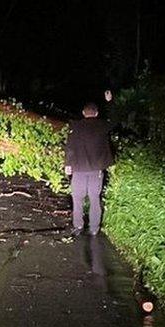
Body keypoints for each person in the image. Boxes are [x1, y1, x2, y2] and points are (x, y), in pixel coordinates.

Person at [64, 101, 113, 236]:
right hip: (96, 170)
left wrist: (68, 165)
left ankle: (78, 226)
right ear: (96, 114)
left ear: (83, 113)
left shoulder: (75, 126)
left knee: (77, 199)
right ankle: (94, 228)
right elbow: (114, 120)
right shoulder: (102, 126)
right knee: (94, 199)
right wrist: (109, 102)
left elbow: (70, 146)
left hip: (78, 169)